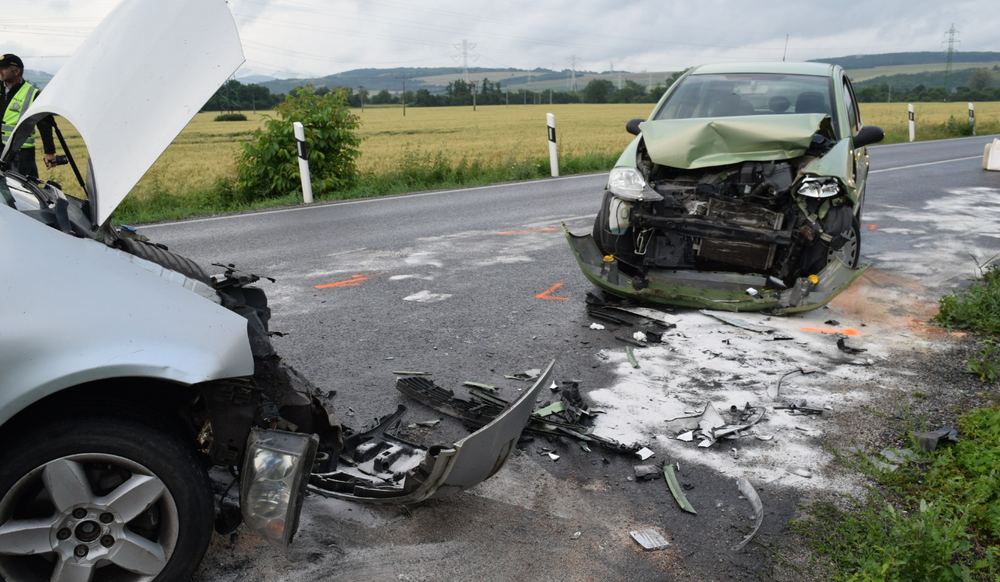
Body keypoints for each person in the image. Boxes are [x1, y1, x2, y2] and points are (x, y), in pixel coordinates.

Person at [0, 54, 55, 179]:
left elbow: (45, 124)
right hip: (1, 149)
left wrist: (50, 152)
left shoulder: (32, 93)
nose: (0, 71)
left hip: (22, 153)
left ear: (17, 71)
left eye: (3, 68)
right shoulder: (1, 89)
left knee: (27, 189)